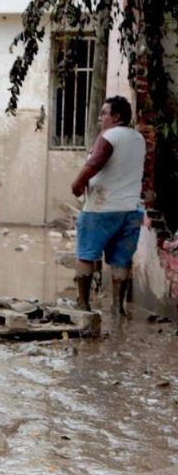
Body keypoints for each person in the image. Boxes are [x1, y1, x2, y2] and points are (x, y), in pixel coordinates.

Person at [70, 96, 146, 314]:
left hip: (100, 209)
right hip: (131, 210)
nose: (100, 117)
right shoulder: (138, 138)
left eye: (104, 113)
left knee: (86, 255)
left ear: (116, 117)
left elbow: (95, 163)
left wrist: (77, 183)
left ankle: (83, 305)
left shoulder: (110, 137)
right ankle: (118, 308)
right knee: (122, 261)